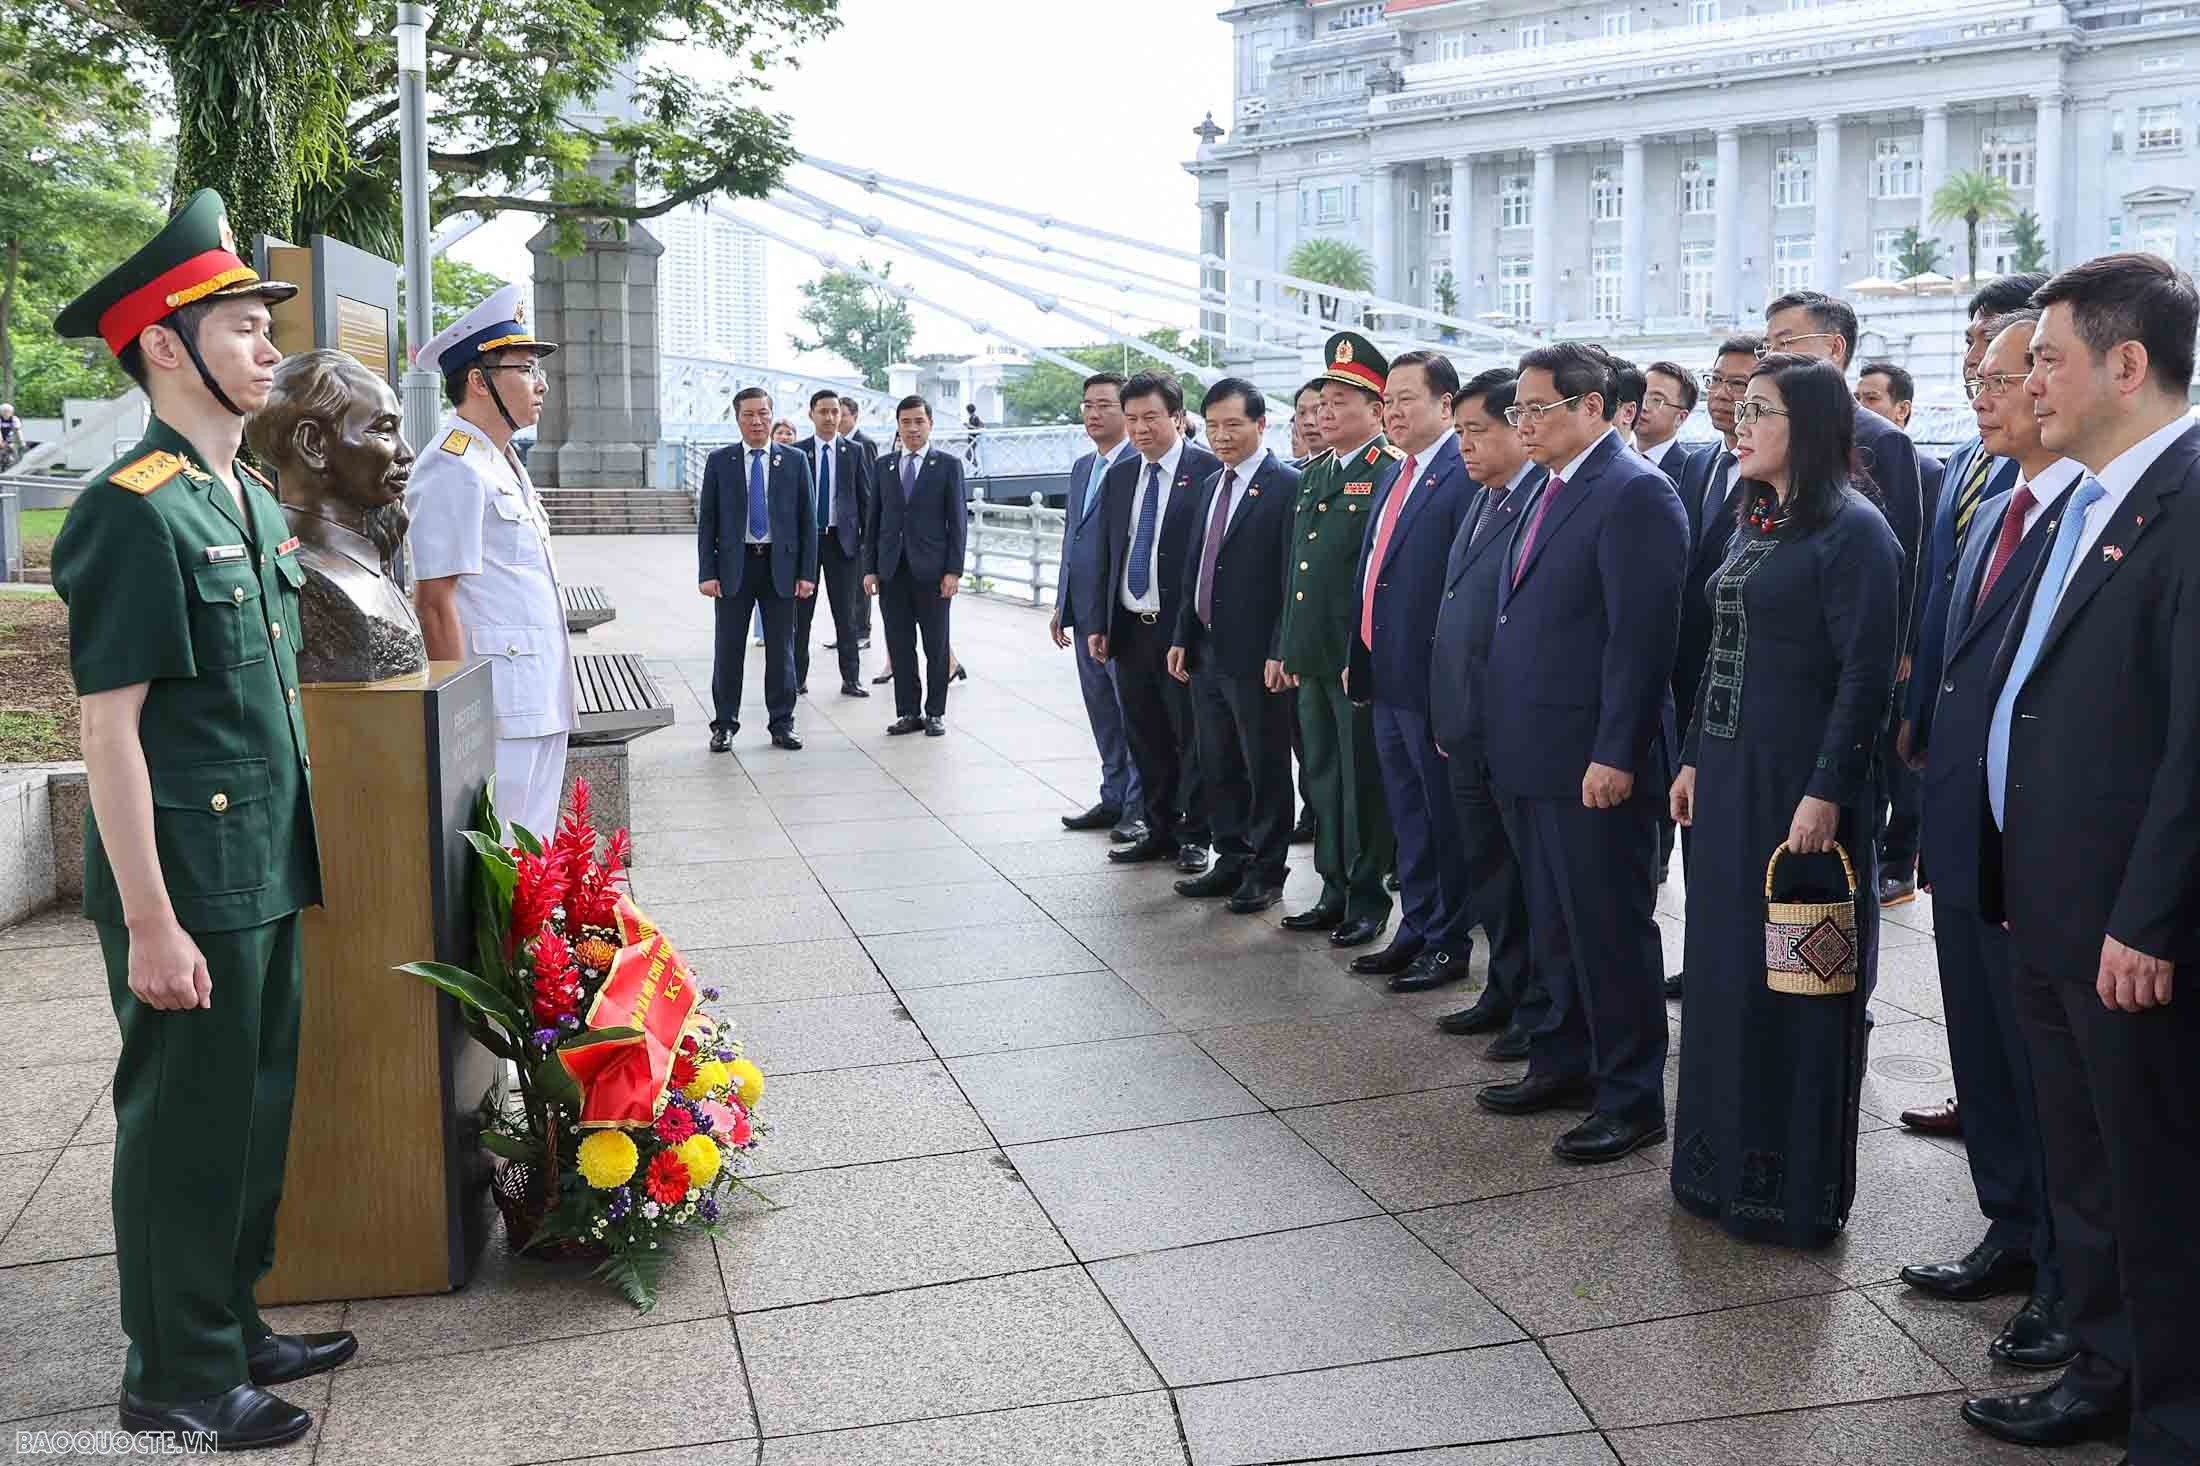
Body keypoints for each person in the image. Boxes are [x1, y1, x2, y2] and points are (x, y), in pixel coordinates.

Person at [49, 188, 349, 1451]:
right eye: (241, 326)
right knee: (184, 1122)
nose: (268, 345)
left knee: (254, 1107)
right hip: (186, 880)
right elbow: (107, 730)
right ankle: (173, 1372)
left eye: (264, 324)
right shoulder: (133, 506)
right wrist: (152, 921)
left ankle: (231, 1318)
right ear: (166, 345)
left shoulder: (245, 497)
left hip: (263, 858)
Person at [1963, 252, 2200, 1461]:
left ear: (2127, 362)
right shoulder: (2092, 496)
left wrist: (2149, 916)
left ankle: (2173, 1414)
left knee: (2155, 1180)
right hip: (2049, 899)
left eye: (2048, 357)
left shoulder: (2188, 499)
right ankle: (2102, 1372)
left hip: (2126, 922)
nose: (2026, 380)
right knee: (2088, 1169)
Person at [1667, 353, 1902, 1244]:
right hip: (1729, 781)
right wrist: (1693, 757)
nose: (1740, 423)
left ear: (1808, 425)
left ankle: (1787, 1190)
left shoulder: (1855, 531)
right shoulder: (1756, 517)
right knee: (1725, 971)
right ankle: (1715, 1169)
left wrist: (1826, 791)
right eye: (1740, 408)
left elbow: (1866, 678)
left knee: (1795, 983)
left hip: (1794, 789)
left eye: (1759, 410)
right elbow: (1720, 648)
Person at [1896, 308, 2072, 1373]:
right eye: (1982, 378)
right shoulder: (1996, 497)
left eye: (2009, 376)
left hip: (2035, 839)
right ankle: (2008, 1223)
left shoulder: (2083, 514)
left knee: (2041, 1059)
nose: (1989, 395)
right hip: (1961, 809)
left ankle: (2064, 1269)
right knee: (1980, 1039)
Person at [1478, 341, 1687, 1165]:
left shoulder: (1634, 492)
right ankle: (1564, 1061)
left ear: (1593, 407)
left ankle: (1631, 1097)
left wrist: (1617, 752)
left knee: (1608, 930)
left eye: (1538, 409)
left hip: (1594, 760)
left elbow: (1642, 640)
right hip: (1532, 748)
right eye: (1518, 411)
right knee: (1557, 923)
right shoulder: (1548, 484)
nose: (1523, 424)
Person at [407, 284, 577, 835]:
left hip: (538, 692)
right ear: (479, 382)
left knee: (534, 857)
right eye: (525, 369)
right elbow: (435, 602)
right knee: (501, 855)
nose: (540, 383)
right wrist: (460, 722)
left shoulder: (499, 460)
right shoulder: (452, 465)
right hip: (497, 707)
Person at [1348, 349, 1476, 993]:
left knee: (1440, 817)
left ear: (1445, 405)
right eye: (1387, 401)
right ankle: (1418, 926)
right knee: (1408, 814)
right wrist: (1360, 657)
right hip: (1387, 676)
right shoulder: (1398, 472)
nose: (1392, 411)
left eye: (1406, 399)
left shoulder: (1461, 475)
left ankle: (1448, 939)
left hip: (1431, 683)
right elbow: (1373, 573)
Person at [1428, 368, 1545, 1059]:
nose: (1465, 445)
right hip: (1465, 723)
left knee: (1527, 878)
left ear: (1518, 429)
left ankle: (1537, 1006)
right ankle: (1503, 988)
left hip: (1512, 729)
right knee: (1491, 872)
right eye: (1460, 432)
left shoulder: (1538, 502)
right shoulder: (1483, 499)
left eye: (1477, 431)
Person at [1274, 338, 1395, 948]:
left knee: (1360, 781)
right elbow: (1298, 568)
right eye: (1320, 402)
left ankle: (1367, 895)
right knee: (1321, 775)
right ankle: (1332, 887)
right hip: (1312, 653)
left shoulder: (1388, 470)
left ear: (1377, 409)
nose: (1324, 412)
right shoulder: (1316, 471)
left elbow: (1376, 576)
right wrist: (1285, 647)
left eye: (1340, 401)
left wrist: (1361, 654)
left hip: (1353, 658)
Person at [1168, 377, 1298, 913]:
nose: (1221, 436)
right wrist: (1182, 635)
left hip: (1256, 654)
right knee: (1217, 761)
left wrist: (1280, 648)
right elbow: (1196, 567)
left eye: (1234, 425)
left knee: (1263, 764)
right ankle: (1231, 857)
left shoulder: (1287, 486)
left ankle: (1266, 869)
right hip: (1206, 650)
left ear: (1261, 425)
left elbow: (1291, 577)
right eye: (1214, 426)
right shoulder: (1210, 484)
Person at [1083, 372, 1222, 868]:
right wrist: (1098, 622)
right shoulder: (1121, 475)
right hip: (1129, 626)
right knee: (1145, 735)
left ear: (1178, 418)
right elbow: (1108, 553)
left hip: (1181, 629)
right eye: (1132, 419)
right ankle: (1157, 828)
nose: (1140, 429)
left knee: (1192, 737)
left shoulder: (1208, 471)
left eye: (1151, 418)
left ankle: (1195, 836)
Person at [1663, 334, 1762, 1001]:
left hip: (1741, 685)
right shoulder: (1698, 463)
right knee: (1694, 831)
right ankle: (1703, 958)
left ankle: (1735, 970)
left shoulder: (1776, 481)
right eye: (1718, 381)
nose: (1724, 396)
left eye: (1739, 386)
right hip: (1689, 679)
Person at [1761, 291, 1923, 647]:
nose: (1773, 356)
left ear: (1835, 348)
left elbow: (1903, 553)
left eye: (1785, 342)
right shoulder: (1773, 433)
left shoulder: (1882, 439)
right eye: (1767, 346)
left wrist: (1902, 646)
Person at [1851, 358, 1940, 906]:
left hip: (1906, 640)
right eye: (1857, 396)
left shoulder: (1927, 470)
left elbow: (1922, 559)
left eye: (1873, 398)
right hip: (1870, 636)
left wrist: (1908, 642)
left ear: (1902, 409)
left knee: (1901, 756)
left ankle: (1900, 859)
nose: (1861, 407)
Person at [698, 387, 817, 752]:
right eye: (748, 414)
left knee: (781, 650)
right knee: (729, 649)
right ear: (737, 418)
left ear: (771, 415)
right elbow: (708, 521)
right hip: (734, 567)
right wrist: (707, 572)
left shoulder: (795, 460)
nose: (757, 421)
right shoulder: (720, 461)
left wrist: (807, 573)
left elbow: (807, 520)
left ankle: (782, 723)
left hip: (780, 566)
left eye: (763, 413)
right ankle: (724, 724)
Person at [1055, 372, 1145, 840]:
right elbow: (1072, 538)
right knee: (1101, 710)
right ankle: (1112, 795)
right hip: (1083, 611)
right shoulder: (1082, 467)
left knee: (1132, 715)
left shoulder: (1137, 465)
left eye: (1105, 405)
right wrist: (1061, 603)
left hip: (1118, 616)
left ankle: (1137, 806)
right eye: (1087, 405)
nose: (1093, 414)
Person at [865, 395, 966, 737]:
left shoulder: (948, 465)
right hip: (892, 570)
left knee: (936, 645)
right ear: (897, 426)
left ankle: (935, 712)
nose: (912, 428)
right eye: (906, 422)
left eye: (919, 421)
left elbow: (958, 523)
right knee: (899, 643)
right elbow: (874, 520)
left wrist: (953, 571)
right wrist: (870, 568)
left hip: (933, 572)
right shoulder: (884, 466)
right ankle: (908, 712)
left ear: (930, 424)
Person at [793, 389, 872, 700]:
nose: (829, 417)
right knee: (801, 615)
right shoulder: (797, 453)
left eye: (835, 412)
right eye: (823, 411)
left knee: (846, 615)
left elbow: (865, 499)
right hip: (807, 544)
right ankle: (796, 679)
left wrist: (865, 546)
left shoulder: (854, 451)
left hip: (843, 543)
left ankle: (851, 679)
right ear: (811, 414)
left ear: (841, 415)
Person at [837, 392, 877, 649]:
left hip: (859, 526)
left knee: (861, 583)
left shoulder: (864, 444)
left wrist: (867, 525)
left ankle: (862, 633)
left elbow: (868, 486)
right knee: (845, 587)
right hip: (842, 527)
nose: (837, 419)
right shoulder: (837, 443)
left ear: (855, 416)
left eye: (842, 415)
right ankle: (847, 633)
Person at [1634, 361, 1699, 478]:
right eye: (1641, 396)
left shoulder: (1690, 472)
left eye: (1656, 400)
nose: (1643, 407)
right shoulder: (1615, 457)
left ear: (1681, 417)